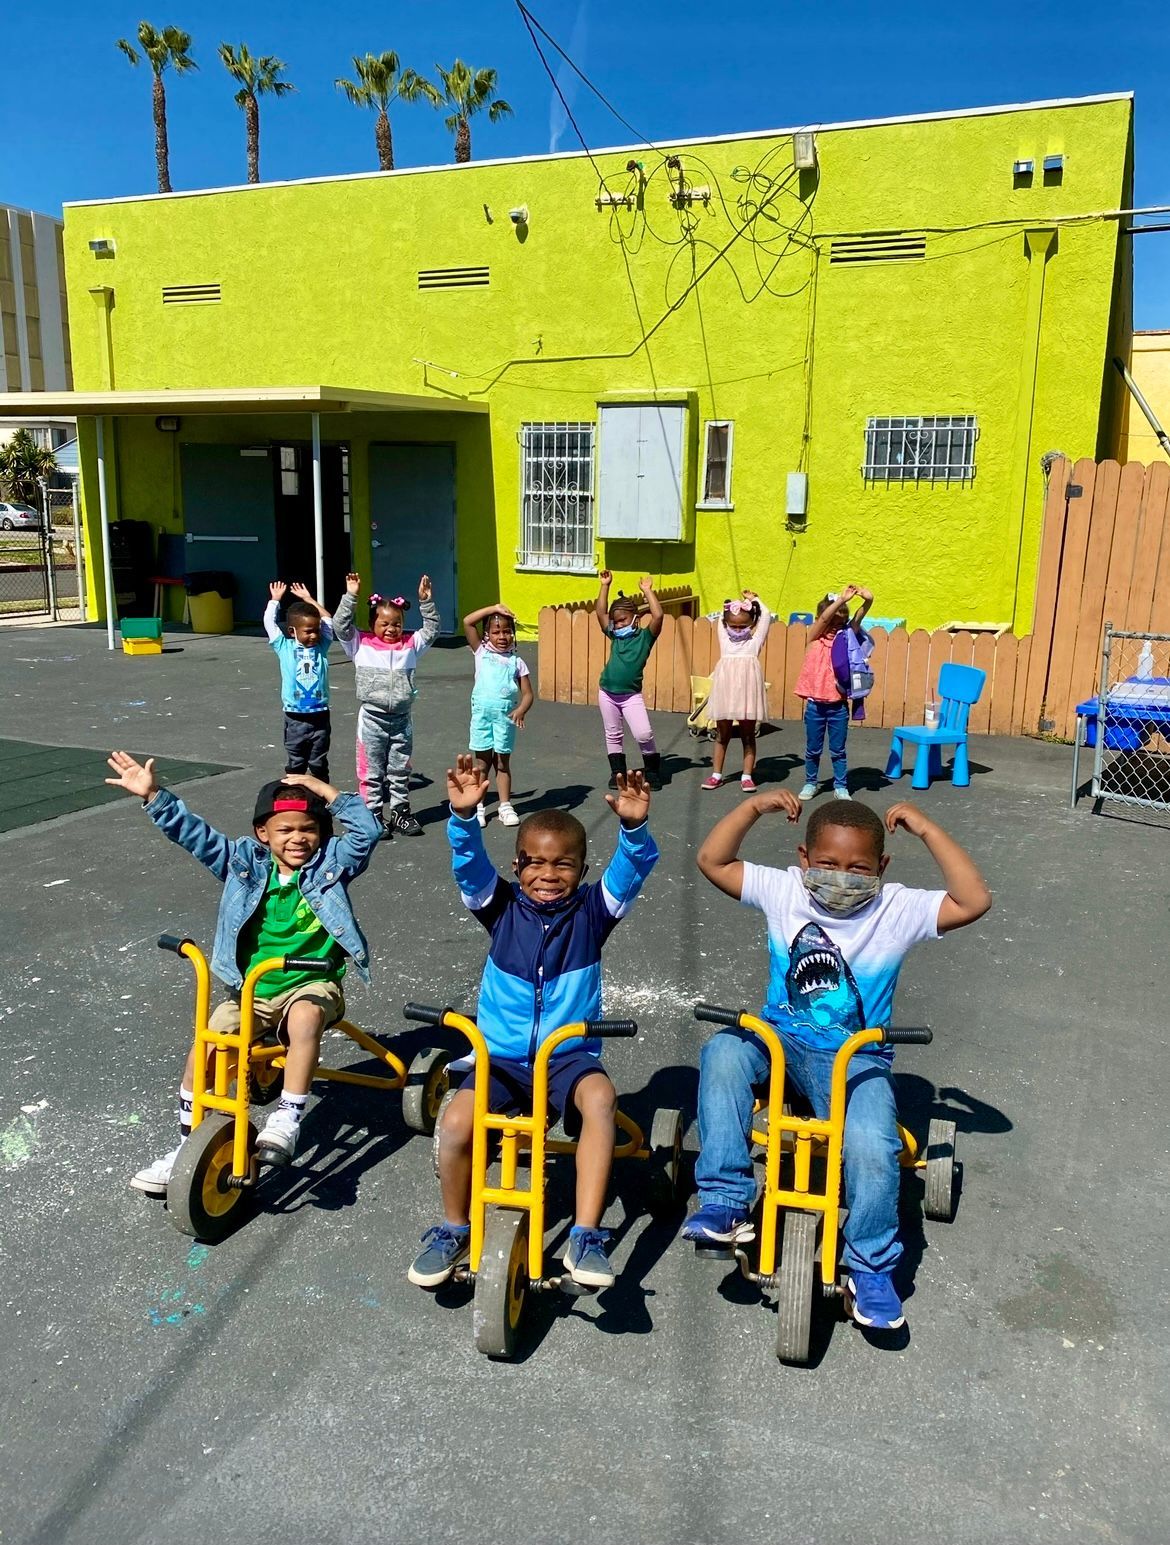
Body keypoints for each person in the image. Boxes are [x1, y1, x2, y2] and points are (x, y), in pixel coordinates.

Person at [684, 792, 991, 1331]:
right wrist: (753, 810)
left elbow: (972, 901)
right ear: (805, 859)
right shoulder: (784, 891)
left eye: (858, 868)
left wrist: (927, 828)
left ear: (881, 869)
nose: (841, 877)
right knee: (724, 1050)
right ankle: (726, 1198)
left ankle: (870, 1266)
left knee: (874, 1142)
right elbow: (714, 860)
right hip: (780, 1044)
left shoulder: (895, 907)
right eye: (827, 865)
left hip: (856, 1057)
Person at [408, 755, 659, 1292]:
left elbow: (631, 871)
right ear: (518, 866)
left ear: (582, 871)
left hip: (567, 1055)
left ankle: (587, 1234)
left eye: (563, 865)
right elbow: (469, 866)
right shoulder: (499, 909)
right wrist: (461, 817)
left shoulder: (594, 912)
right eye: (534, 864)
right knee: (454, 1124)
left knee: (600, 1102)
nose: (548, 875)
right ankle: (453, 1227)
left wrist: (634, 829)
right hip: (502, 1058)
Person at [105, 753, 380, 1191]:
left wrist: (329, 794)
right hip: (253, 990)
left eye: (308, 829)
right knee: (208, 1045)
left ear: (322, 834)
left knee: (305, 1018)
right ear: (262, 833)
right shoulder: (244, 863)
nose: (298, 839)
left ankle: (288, 1116)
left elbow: (367, 832)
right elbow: (196, 837)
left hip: (313, 982)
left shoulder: (331, 866)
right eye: (285, 830)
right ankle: (188, 1142)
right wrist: (154, 796)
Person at [332, 571, 439, 838]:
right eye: (384, 624)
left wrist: (426, 602)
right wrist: (351, 595)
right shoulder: (360, 644)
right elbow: (340, 625)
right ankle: (373, 814)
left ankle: (401, 812)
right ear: (372, 623)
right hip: (371, 719)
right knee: (371, 770)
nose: (391, 629)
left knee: (400, 768)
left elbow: (432, 630)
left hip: (402, 719)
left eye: (397, 624)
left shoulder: (410, 645)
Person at [793, 584, 874, 801]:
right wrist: (840, 601)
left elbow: (857, 620)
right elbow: (821, 622)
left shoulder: (846, 636)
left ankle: (841, 786)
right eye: (832, 621)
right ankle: (811, 782)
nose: (834, 626)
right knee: (813, 749)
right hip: (815, 705)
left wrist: (868, 601)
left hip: (838, 705)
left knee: (838, 750)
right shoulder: (815, 637)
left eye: (840, 622)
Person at [462, 603, 535, 828]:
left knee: (502, 763)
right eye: (496, 631)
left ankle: (505, 806)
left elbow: (528, 694)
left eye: (507, 631)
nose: (502, 636)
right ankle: (479, 806)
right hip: (482, 718)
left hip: (505, 719)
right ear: (486, 635)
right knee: (482, 764)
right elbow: (467, 621)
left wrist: (521, 709)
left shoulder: (517, 663)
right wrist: (494, 608)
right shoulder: (481, 652)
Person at [594, 572, 665, 790]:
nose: (618, 624)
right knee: (613, 734)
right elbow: (600, 612)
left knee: (643, 733)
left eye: (623, 619)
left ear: (635, 618)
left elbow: (658, 616)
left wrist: (647, 590)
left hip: (630, 695)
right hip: (607, 693)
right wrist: (605, 585)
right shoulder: (614, 635)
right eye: (616, 622)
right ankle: (617, 773)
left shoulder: (646, 637)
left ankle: (652, 772)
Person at [263, 580, 334, 782]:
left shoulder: (322, 646)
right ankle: (295, 793)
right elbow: (269, 622)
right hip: (295, 717)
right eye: (308, 631)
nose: (314, 635)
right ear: (292, 631)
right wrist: (275, 600)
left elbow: (327, 619)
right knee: (296, 761)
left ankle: (322, 796)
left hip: (320, 715)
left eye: (316, 630)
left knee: (319, 762)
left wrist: (308, 599)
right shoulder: (283, 646)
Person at [701, 591, 770, 792]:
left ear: (752, 625)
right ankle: (716, 774)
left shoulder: (755, 641)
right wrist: (731, 605)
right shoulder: (724, 636)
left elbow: (765, 615)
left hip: (747, 693)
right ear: (726, 624)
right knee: (723, 734)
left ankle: (747, 776)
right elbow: (723, 617)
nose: (738, 630)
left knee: (748, 735)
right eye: (734, 626)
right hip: (726, 692)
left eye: (743, 626)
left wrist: (754, 600)